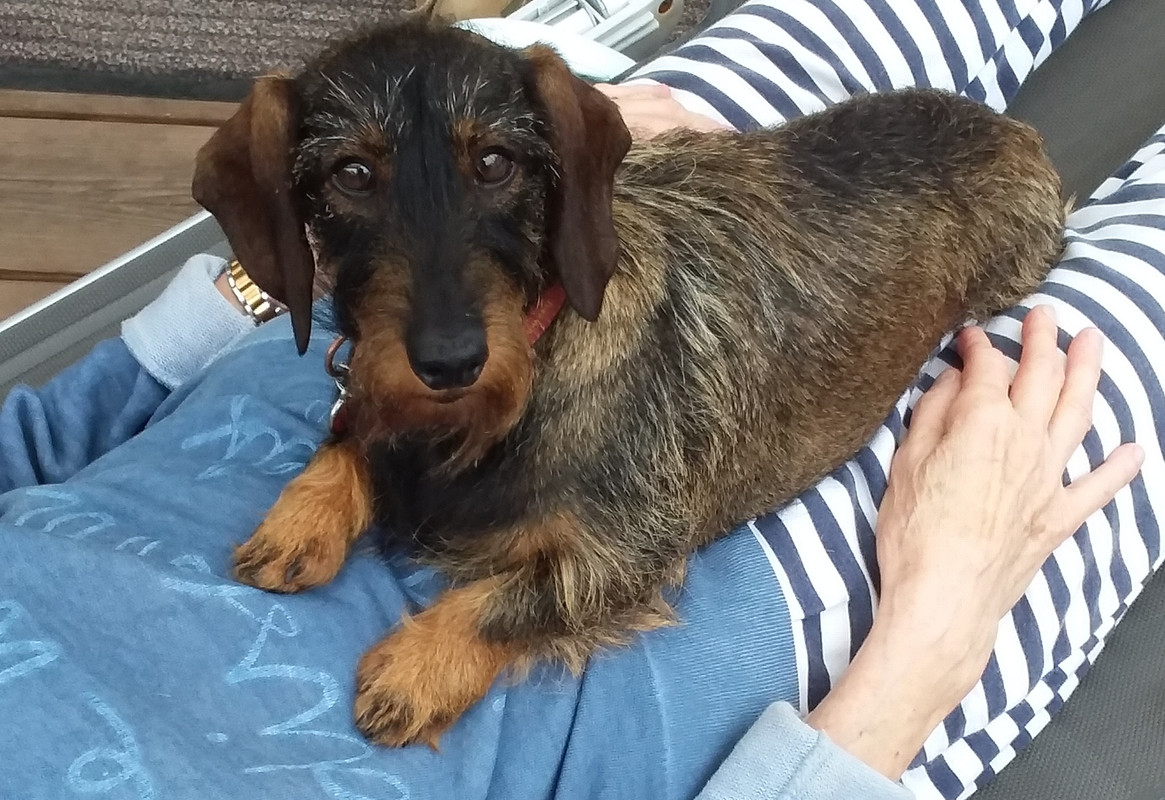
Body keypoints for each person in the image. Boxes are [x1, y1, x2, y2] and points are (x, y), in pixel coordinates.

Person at [0, 1, 1160, 797]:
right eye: (350, 178)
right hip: (850, 578)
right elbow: (623, 552)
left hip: (646, 202)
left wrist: (581, 175)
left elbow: (30, 439)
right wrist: (931, 640)